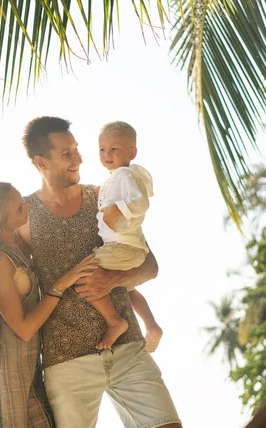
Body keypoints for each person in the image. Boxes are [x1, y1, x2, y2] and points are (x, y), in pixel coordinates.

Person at [17, 117, 181, 428]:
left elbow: (150, 266)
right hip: (67, 359)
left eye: (77, 149)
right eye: (67, 153)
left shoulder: (103, 198)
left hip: (128, 348)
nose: (79, 158)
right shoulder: (23, 216)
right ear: (41, 161)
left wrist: (114, 280)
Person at [0, 182, 99, 428]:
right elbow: (24, 328)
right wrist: (63, 283)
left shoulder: (14, 248)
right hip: (3, 381)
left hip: (27, 373)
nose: (28, 206)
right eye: (19, 207)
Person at [89, 120, 163, 352]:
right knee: (129, 291)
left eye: (114, 149)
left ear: (132, 152)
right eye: (102, 149)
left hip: (121, 247)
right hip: (129, 248)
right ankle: (151, 325)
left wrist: (117, 209)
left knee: (85, 274)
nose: (106, 154)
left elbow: (141, 202)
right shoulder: (115, 177)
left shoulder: (124, 175)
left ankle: (114, 321)